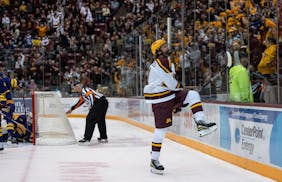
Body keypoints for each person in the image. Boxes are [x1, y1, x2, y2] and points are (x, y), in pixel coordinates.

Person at [144, 39, 216, 175]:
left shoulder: (166, 61)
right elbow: (171, 83)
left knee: (193, 95)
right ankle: (154, 160)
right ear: (158, 51)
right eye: (164, 46)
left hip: (169, 95)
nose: (167, 47)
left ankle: (200, 122)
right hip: (160, 99)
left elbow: (171, 83)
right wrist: (179, 89)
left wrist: (178, 94)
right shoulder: (161, 61)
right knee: (161, 130)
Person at [66, 77, 109, 144]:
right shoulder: (83, 93)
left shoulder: (85, 90)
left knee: (90, 119)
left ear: (80, 85)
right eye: (75, 88)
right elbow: (80, 102)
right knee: (100, 120)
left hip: (99, 103)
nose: (76, 88)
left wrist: (91, 105)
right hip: (103, 102)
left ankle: (86, 138)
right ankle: (103, 137)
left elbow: (91, 96)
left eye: (77, 86)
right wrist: (71, 109)